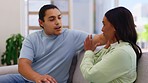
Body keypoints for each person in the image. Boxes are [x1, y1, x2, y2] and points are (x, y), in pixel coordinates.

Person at [0, 4, 105, 83]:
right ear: (41, 22)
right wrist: (37, 77)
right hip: (26, 80)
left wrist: (117, 30)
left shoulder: (72, 36)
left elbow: (100, 38)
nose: (58, 22)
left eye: (59, 17)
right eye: (52, 19)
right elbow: (23, 65)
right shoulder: (32, 38)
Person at [80, 6, 142, 83]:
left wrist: (88, 52)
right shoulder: (116, 48)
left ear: (115, 26)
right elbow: (95, 64)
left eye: (104, 24)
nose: (102, 29)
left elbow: (90, 75)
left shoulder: (123, 52)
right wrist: (105, 49)